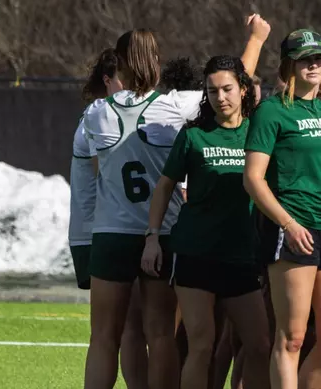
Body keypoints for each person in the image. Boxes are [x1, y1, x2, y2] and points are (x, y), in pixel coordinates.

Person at [140, 55, 272, 389]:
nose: (220, 97)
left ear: (243, 89)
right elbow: (164, 187)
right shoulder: (194, 135)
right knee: (201, 345)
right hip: (195, 253)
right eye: (212, 91)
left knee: (259, 344)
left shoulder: (258, 133)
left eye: (227, 89)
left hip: (241, 255)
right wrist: (152, 237)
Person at [243, 27, 321, 389]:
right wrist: (288, 224)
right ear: (288, 65)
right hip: (293, 228)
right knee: (292, 338)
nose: (313, 65)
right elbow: (253, 179)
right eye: (305, 60)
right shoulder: (272, 111)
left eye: (318, 59)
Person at [72, 49, 148, 389]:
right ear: (108, 81)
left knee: (130, 326)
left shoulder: (108, 115)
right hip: (102, 232)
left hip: (113, 228)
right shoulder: (99, 116)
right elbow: (107, 174)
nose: (133, 89)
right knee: (111, 331)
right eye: (124, 80)